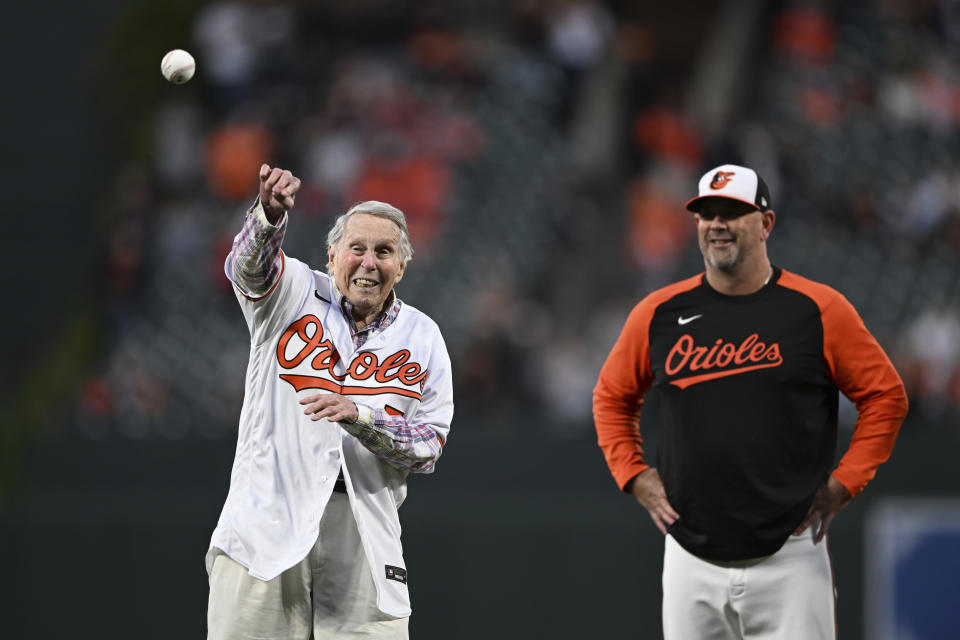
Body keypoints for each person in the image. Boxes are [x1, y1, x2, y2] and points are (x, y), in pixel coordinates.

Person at [592, 164, 908, 639]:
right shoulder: (658, 314)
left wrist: (845, 482)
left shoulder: (817, 309)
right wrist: (633, 474)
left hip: (791, 555)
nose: (717, 224)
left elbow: (886, 396)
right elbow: (612, 398)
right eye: (707, 213)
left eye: (733, 212)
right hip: (689, 557)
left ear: (765, 223)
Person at [206, 164, 454, 639]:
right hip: (266, 522)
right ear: (332, 254)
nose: (368, 262)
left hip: (364, 537)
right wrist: (267, 218)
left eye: (384, 252)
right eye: (356, 248)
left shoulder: (423, 336)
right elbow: (245, 269)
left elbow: (428, 446)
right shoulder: (294, 291)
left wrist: (360, 417)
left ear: (401, 265)